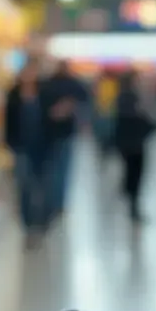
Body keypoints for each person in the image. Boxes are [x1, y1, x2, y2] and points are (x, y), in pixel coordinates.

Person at [3, 60, 50, 244]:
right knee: (24, 186)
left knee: (41, 185)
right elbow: (8, 121)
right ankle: (28, 224)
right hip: (21, 147)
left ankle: (41, 219)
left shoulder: (44, 94)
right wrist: (9, 143)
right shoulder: (14, 95)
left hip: (42, 147)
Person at [41, 59, 89, 222]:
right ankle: (56, 203)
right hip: (52, 134)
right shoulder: (51, 84)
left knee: (59, 170)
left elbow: (84, 99)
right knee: (59, 170)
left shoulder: (54, 83)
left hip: (63, 133)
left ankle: (57, 203)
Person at [113, 69, 156, 223]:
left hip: (127, 142)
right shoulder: (132, 99)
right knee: (135, 174)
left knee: (131, 172)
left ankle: (129, 196)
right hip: (134, 143)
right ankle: (132, 203)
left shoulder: (122, 97)